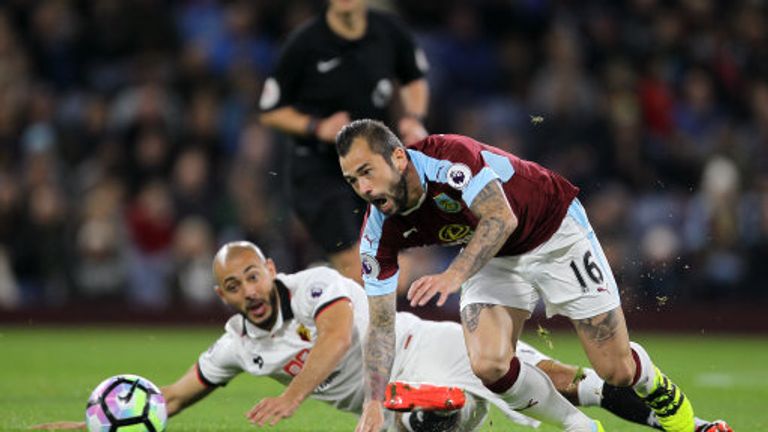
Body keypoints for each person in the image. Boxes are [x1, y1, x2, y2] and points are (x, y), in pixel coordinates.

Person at [30, 241, 731, 432]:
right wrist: (88, 425)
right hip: (387, 400)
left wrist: (295, 395)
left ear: (269, 267)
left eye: (253, 274)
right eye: (234, 286)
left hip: (416, 347)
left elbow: (335, 341)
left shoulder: (312, 288)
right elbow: (173, 399)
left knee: (562, 381)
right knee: (428, 419)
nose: (249, 289)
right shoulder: (234, 346)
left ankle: (688, 429)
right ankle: (440, 411)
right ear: (222, 296)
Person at [336, 119, 733, 432]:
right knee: (489, 363)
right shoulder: (376, 232)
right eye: (353, 180)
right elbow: (383, 325)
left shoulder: (449, 158)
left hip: (553, 232)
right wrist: (373, 403)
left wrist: (453, 274)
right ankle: (579, 425)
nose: (364, 188)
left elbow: (501, 217)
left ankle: (663, 396)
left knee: (618, 370)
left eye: (367, 171)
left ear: (399, 158)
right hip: (492, 255)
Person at [259, 0, 429, 284]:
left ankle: (327, 290)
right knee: (356, 265)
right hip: (320, 170)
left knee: (400, 271)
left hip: (377, 165)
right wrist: (316, 126)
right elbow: (270, 110)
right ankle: (335, 293)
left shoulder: (389, 30)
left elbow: (415, 77)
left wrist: (413, 118)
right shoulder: (304, 43)